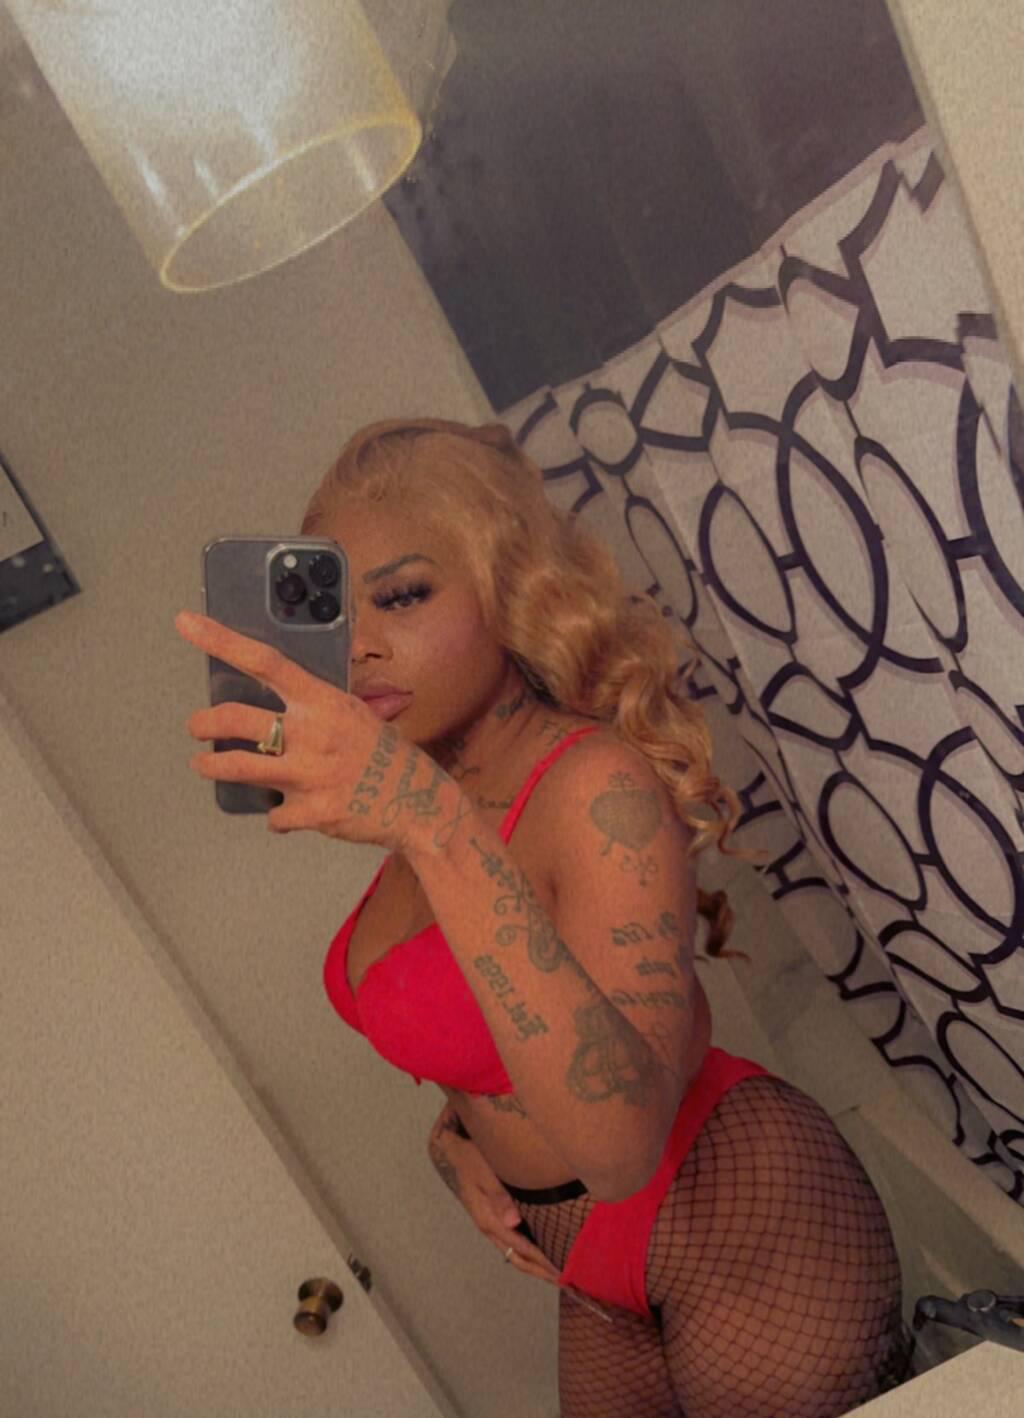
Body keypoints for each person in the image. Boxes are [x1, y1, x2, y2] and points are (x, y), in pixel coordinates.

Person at [176, 418, 913, 1417]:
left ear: (511, 588)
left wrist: (433, 825)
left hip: (735, 1214)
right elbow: (499, 1030)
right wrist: (455, 1139)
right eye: (334, 609)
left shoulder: (588, 785)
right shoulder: (434, 801)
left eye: (403, 594)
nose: (360, 643)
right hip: (585, 1262)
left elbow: (620, 1148)